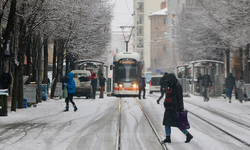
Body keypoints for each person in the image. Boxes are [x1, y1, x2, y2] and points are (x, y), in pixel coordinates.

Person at [160, 73, 193, 144]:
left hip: (174, 108)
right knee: (167, 123)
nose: (166, 81)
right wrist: (165, 104)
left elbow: (180, 98)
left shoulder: (177, 86)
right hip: (169, 108)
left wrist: (180, 108)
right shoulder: (170, 85)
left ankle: (188, 135)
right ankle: (167, 137)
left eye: (167, 80)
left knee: (178, 124)